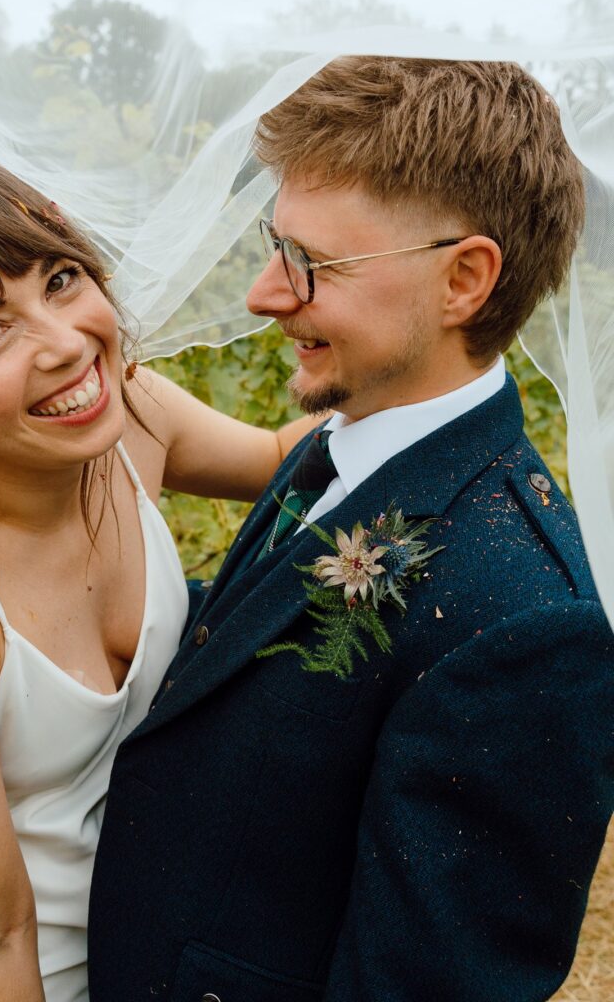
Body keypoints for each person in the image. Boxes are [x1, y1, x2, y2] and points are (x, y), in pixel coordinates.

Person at [88, 57, 614, 1002]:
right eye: (272, 242)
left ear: (464, 280)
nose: (263, 293)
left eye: (313, 265)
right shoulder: (345, 441)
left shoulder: (526, 624)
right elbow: (258, 659)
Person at [0, 146, 315, 1002]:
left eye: (60, 279)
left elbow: (289, 457)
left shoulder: (133, 417)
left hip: (166, 958)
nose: (66, 343)